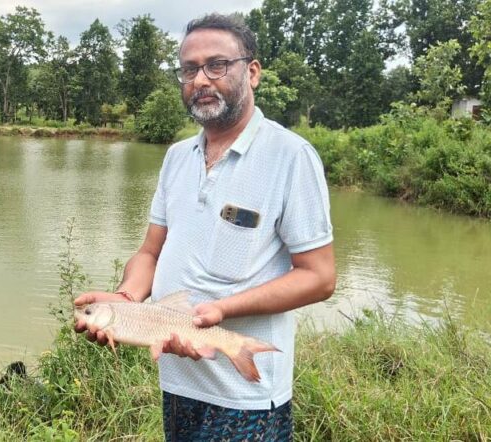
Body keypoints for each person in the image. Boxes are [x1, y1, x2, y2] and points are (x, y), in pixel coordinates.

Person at [74, 13, 336, 441]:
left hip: (245, 396)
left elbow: (320, 277)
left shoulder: (290, 156)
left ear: (251, 72)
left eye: (217, 65)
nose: (200, 79)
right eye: (189, 69)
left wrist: (222, 311)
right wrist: (126, 299)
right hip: (176, 382)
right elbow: (150, 253)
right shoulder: (177, 157)